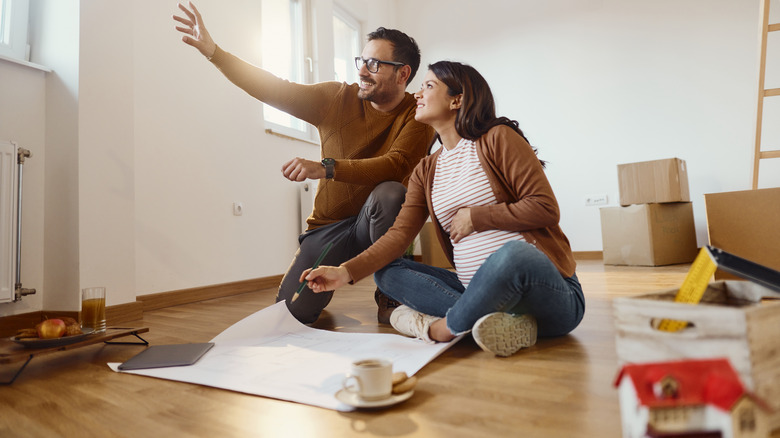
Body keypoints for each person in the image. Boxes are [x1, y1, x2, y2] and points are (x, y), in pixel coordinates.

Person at [173, 2, 435, 324]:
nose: (362, 70)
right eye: (361, 60)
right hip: (329, 228)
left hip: (376, 223)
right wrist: (214, 52)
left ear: (402, 73)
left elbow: (395, 165)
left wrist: (325, 167)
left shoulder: (419, 113)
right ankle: (321, 290)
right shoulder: (336, 98)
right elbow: (274, 89)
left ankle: (391, 293)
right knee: (291, 314)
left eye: (374, 64)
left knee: (391, 193)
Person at [300, 61, 585, 357]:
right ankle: (495, 321)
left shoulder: (498, 138)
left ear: (457, 99)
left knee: (515, 254)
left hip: (547, 293)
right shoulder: (427, 169)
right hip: (473, 290)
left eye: (429, 86)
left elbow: (545, 208)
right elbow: (398, 236)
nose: (418, 94)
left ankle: (442, 328)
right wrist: (344, 272)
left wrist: (476, 217)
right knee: (387, 273)